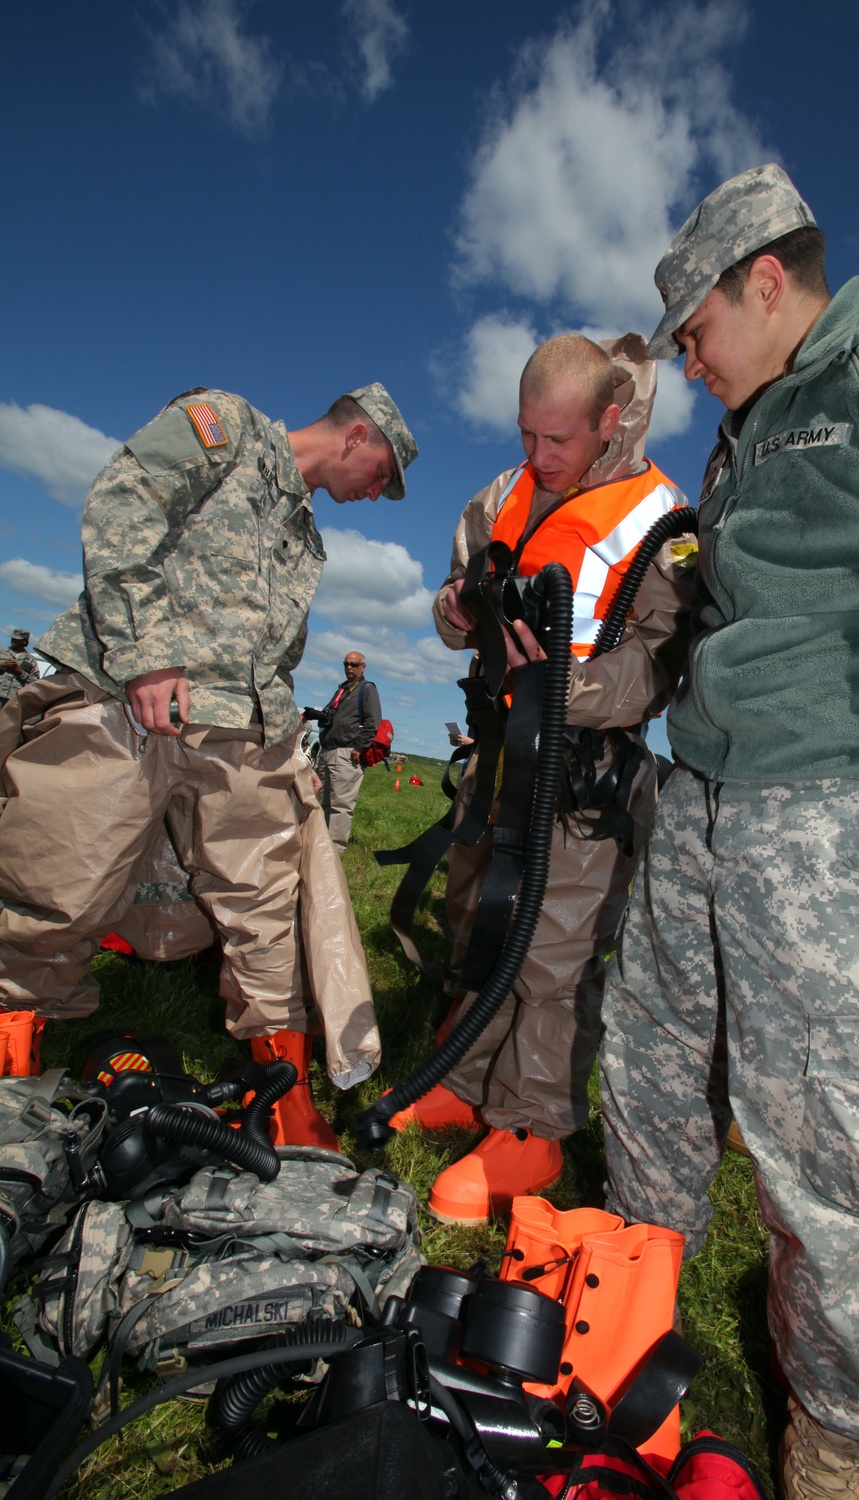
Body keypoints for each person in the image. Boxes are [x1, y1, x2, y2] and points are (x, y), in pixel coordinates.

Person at [599, 162, 859, 1497]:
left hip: (838, 825)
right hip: (698, 809)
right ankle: (627, 1329)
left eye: (694, 335)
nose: (690, 365)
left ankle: (832, 1444)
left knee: (840, 1154)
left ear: (764, 280)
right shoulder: (739, 437)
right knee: (648, 1065)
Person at [0, 383, 417, 1147]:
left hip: (239, 736)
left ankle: (286, 1103)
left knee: (264, 911)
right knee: (61, 881)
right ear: (358, 436)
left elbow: (273, 657)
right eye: (381, 476)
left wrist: (290, 743)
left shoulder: (306, 539)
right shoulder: (224, 427)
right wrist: (147, 658)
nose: (375, 496)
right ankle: (11, 1068)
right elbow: (125, 500)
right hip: (131, 698)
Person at [394, 332, 694, 1224]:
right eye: (526, 434)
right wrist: (454, 607)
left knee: (551, 951)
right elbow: (458, 596)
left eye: (555, 440)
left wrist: (575, 687)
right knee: (480, 924)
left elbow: (663, 662)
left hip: (585, 774)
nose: (537, 456)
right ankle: (471, 1085)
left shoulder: (664, 520)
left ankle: (533, 1129)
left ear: (610, 422)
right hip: (496, 759)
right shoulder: (503, 494)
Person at [313, 652, 382, 852]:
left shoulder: (367, 689)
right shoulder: (343, 689)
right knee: (325, 799)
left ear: (363, 667)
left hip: (346, 752)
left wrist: (359, 747)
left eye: (354, 664)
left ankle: (335, 849)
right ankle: (322, 843)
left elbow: (373, 722)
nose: (349, 668)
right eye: (346, 664)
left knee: (341, 803)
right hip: (328, 750)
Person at [0, 630, 40, 709]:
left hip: (14, 699)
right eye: (12, 639)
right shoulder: (2, 652)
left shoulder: (30, 660)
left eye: (16, 640)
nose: (13, 642)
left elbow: (35, 681)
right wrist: (2, 665)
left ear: (24, 642)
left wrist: (20, 672)